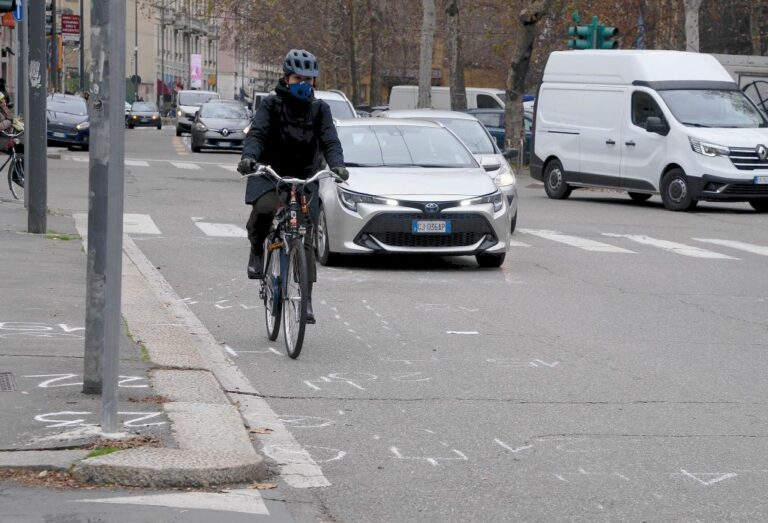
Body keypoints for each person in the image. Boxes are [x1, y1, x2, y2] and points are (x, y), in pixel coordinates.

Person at [237, 49, 349, 324]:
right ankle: (256, 249)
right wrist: (249, 158)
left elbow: (330, 142)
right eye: (298, 78)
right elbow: (258, 134)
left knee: (306, 236)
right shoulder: (271, 105)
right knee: (265, 209)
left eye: (308, 80)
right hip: (271, 173)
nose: (304, 84)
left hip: (304, 177)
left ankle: (306, 300)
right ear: (286, 78)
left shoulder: (320, 110)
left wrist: (337, 165)